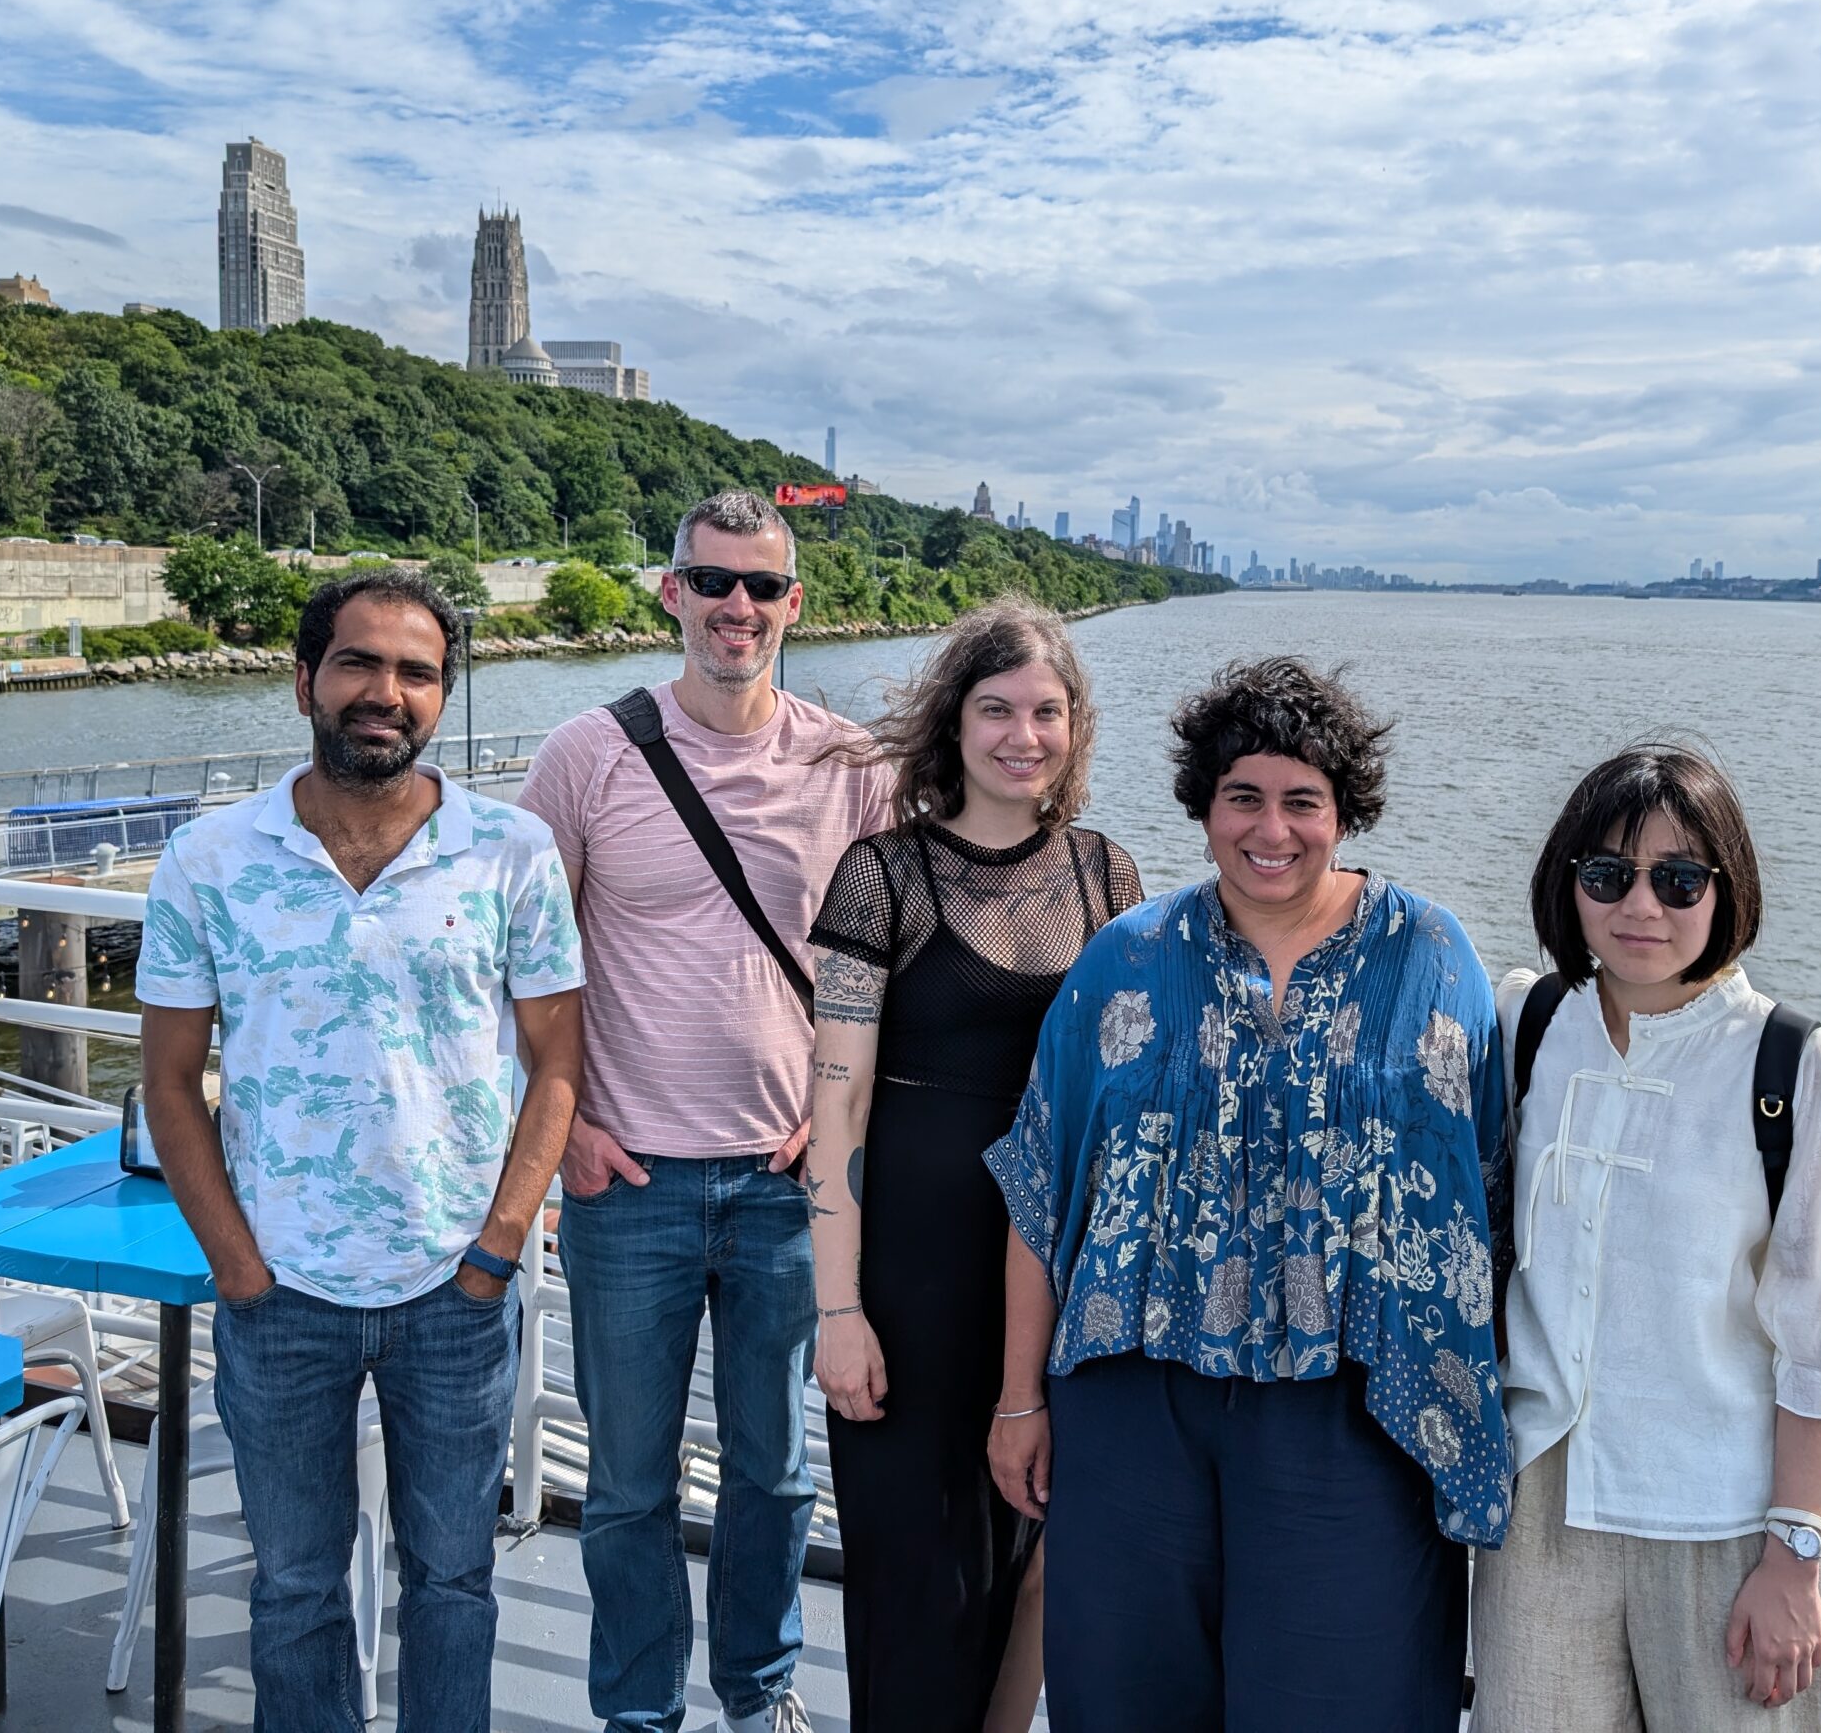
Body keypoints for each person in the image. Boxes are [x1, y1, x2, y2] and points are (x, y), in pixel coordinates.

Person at [983, 655, 1510, 1733]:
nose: (1271, 829)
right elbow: (1043, 1191)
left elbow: (1483, 1187)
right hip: (1135, 1395)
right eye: (1243, 796)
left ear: (1343, 810)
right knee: (1129, 1694)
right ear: (1205, 804)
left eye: (1301, 800)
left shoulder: (1431, 955)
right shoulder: (1124, 959)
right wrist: (1019, 1398)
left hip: (1355, 1404)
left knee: (1341, 1695)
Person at [135, 569, 587, 1733]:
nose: (385, 691)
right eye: (358, 663)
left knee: (454, 1580)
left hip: (456, 1286)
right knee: (293, 1585)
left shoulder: (512, 851)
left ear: (443, 696)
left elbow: (557, 1064)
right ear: (303, 680)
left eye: (417, 671)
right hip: (278, 1291)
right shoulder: (209, 858)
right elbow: (170, 1083)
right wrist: (236, 1262)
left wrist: (497, 1246)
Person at [518, 490, 895, 1733]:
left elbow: (898, 963)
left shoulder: (852, 767)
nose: (739, 606)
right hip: (630, 1183)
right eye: (713, 581)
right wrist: (561, 1120)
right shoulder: (588, 754)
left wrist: (847, 1113)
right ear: (669, 591)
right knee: (627, 1483)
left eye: (764, 586)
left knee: (774, 1474)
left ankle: (759, 1690)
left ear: (797, 605)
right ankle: (636, 1711)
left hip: (790, 1179)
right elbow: (524, 957)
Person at [1469, 744, 1821, 1731]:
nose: (1640, 906)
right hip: (1543, 1507)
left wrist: (1793, 1551)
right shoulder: (1529, 1021)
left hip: (1726, 1514)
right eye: (1607, 874)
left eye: (1678, 877)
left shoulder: (1794, 1061)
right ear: (1568, 883)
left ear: (1724, 887)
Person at [804, 597, 1143, 1733]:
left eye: (1045, 711)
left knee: (1041, 1569)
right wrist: (837, 1305)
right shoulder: (881, 875)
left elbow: (1137, 1091)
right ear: (954, 724)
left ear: (1074, 726)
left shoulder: (1108, 877)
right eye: (995, 709)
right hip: (909, 1278)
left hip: (1062, 1274)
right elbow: (835, 1103)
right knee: (916, 1585)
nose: (1021, 735)